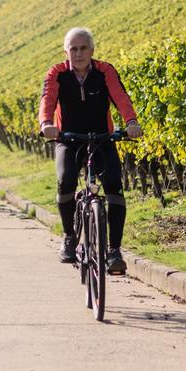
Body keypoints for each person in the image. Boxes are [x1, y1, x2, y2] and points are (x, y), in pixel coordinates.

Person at [39, 27, 143, 274]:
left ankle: (114, 251)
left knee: (114, 185)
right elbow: (47, 99)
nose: (78, 53)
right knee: (65, 181)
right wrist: (46, 124)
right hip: (68, 138)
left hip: (102, 138)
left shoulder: (105, 71)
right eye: (73, 49)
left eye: (83, 48)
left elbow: (121, 97)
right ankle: (69, 237)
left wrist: (131, 123)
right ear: (66, 52)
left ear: (92, 50)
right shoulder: (57, 72)